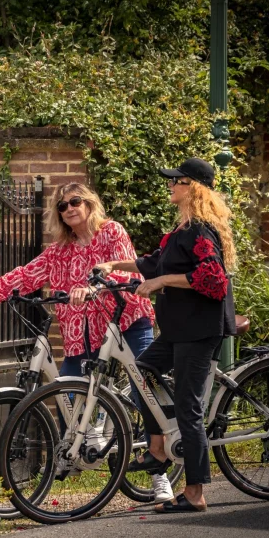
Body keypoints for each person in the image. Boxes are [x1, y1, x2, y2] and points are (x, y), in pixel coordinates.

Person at [0, 182, 174, 501]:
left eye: (75, 201)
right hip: (82, 334)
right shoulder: (59, 252)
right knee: (69, 395)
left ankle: (159, 473)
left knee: (144, 388)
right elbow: (23, 275)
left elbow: (126, 272)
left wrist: (92, 286)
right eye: (62, 205)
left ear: (89, 204)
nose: (69, 208)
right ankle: (91, 439)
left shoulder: (111, 232)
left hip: (126, 319)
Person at [96, 157, 236, 513]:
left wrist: (161, 281)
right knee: (140, 372)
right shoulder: (183, 230)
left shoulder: (201, 230)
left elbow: (213, 279)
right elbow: (155, 261)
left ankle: (195, 493)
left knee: (189, 409)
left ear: (195, 188)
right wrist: (115, 265)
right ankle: (158, 447)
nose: (171, 186)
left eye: (178, 181)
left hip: (198, 329)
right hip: (178, 328)